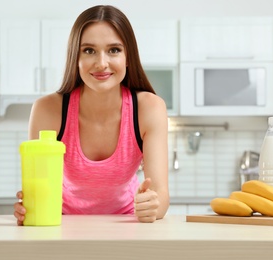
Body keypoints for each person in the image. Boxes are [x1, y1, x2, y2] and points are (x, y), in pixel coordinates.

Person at [14, 5, 169, 224]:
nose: (101, 63)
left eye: (114, 50)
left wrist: (152, 206)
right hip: (63, 223)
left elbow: (160, 194)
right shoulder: (48, 110)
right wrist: (28, 209)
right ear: (75, 57)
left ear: (128, 57)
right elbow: (40, 187)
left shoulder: (149, 108)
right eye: (89, 50)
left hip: (127, 224)